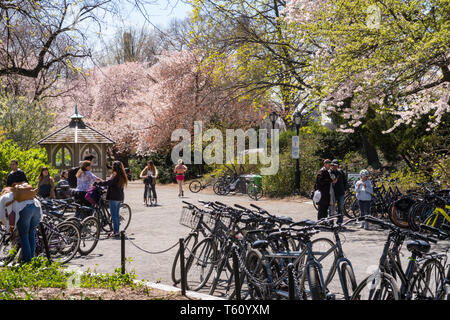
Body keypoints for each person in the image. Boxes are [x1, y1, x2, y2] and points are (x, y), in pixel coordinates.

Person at [0, 188, 42, 263]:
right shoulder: (20, 194)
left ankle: (26, 261)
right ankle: (32, 260)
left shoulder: (4, 198)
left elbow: (2, 216)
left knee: (23, 236)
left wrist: (8, 226)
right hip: (37, 208)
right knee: (31, 236)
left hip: (26, 211)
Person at [97, 161, 128, 238]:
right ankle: (116, 230)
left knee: (114, 215)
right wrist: (103, 181)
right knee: (116, 215)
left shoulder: (115, 174)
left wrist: (98, 183)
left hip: (114, 197)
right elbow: (110, 182)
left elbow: (109, 182)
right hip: (119, 197)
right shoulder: (122, 174)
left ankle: (116, 232)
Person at [330, 159, 348, 224]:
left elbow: (345, 181)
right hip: (332, 193)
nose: (334, 166)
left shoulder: (341, 172)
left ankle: (339, 222)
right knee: (331, 209)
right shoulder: (329, 172)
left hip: (341, 193)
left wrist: (345, 189)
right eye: (333, 165)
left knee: (341, 208)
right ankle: (331, 222)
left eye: (335, 165)